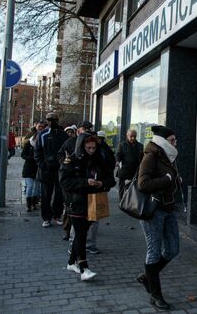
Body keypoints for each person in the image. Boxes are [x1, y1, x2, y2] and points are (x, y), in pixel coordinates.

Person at [135, 125, 180, 310]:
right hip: (153, 211)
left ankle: (147, 277)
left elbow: (168, 178)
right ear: (162, 141)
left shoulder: (168, 156)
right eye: (172, 140)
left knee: (173, 249)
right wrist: (168, 180)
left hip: (168, 208)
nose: (175, 143)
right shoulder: (151, 155)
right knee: (154, 251)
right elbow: (143, 184)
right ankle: (156, 294)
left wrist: (174, 179)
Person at [59, 135, 115, 281]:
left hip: (94, 201)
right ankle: (84, 268)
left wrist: (101, 183)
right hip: (76, 202)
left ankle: (71, 262)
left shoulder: (100, 160)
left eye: (94, 148)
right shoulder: (72, 161)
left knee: (81, 233)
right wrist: (85, 182)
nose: (91, 150)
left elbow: (111, 179)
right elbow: (65, 182)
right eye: (88, 148)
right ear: (82, 147)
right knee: (81, 234)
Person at [34, 112, 68, 228]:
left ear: (57, 120)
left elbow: (67, 150)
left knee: (59, 195)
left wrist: (64, 165)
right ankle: (46, 218)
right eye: (49, 120)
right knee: (45, 195)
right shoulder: (42, 134)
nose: (51, 122)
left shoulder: (63, 135)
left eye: (53, 120)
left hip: (59, 170)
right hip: (46, 170)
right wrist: (42, 165)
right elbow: (37, 152)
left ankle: (57, 215)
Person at [21, 122, 45, 212]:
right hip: (29, 168)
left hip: (39, 168)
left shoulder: (44, 142)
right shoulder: (28, 143)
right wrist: (33, 158)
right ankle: (28, 205)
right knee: (30, 186)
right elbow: (23, 155)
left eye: (42, 127)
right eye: (39, 127)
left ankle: (34, 203)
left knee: (36, 187)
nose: (41, 128)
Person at [115, 129, 144, 200]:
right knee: (121, 186)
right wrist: (118, 161)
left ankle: (130, 200)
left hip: (135, 169)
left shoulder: (140, 146)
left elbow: (142, 157)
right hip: (124, 169)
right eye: (131, 136)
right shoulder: (122, 145)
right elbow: (118, 154)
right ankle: (121, 199)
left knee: (133, 186)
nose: (133, 138)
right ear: (127, 136)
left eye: (134, 136)